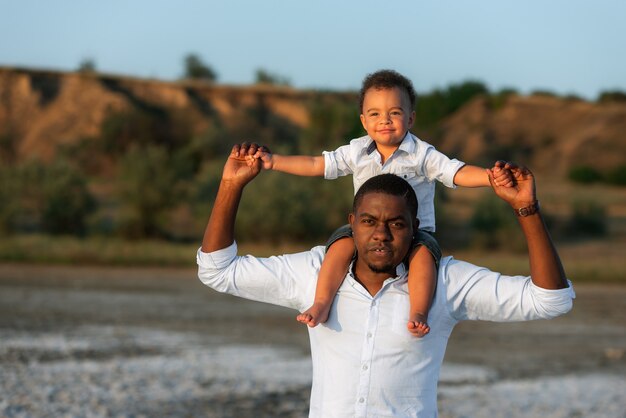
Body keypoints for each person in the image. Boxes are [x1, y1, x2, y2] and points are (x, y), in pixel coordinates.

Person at [197, 144, 574, 418]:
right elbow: (218, 270)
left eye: (396, 224)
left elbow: (551, 300)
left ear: (415, 228)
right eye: (369, 222)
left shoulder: (446, 281)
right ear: (351, 222)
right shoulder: (314, 272)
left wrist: (526, 210)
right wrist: (231, 186)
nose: (381, 235)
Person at [250, 69, 513, 337]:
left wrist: (490, 177)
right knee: (340, 244)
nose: (384, 120)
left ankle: (419, 312)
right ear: (364, 121)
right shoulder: (357, 151)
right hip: (366, 231)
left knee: (423, 256)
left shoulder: (422, 154)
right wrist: (274, 162)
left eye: (395, 113)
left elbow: (456, 172)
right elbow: (317, 164)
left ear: (410, 118)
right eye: (375, 114)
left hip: (415, 233)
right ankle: (321, 302)